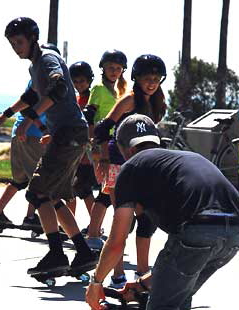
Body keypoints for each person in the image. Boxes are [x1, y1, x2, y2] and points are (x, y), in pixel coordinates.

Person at [85, 114, 239, 310]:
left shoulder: (132, 168)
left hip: (198, 226)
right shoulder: (180, 159)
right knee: (174, 301)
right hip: (235, 230)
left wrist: (96, 283)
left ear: (124, 148)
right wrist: (146, 282)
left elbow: (117, 239)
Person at [0, 17, 97, 276]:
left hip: (69, 133)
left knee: (36, 193)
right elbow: (31, 96)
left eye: (19, 42)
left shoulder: (47, 59)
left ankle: (57, 255)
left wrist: (29, 120)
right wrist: (5, 115)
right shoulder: (35, 66)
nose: (16, 48)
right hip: (70, 133)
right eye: (12, 44)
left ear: (32, 39)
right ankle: (82, 252)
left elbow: (58, 88)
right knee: (52, 197)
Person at [92, 54, 168, 288]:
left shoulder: (158, 103)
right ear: (136, 78)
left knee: (146, 220)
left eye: (156, 78)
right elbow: (104, 128)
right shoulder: (129, 100)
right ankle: (117, 273)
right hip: (118, 164)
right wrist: (103, 157)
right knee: (123, 222)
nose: (152, 82)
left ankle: (143, 273)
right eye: (147, 78)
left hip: (144, 165)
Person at [0, 80, 46, 232]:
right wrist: (42, 127)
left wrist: (3, 117)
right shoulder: (45, 80)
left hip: (19, 133)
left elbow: (25, 103)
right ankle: (31, 218)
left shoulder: (35, 79)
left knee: (19, 180)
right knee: (38, 179)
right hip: (34, 135)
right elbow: (28, 107)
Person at [83, 50, 128, 248]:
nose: (114, 71)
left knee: (107, 191)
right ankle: (94, 234)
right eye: (111, 67)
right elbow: (90, 117)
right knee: (108, 192)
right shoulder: (99, 89)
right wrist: (94, 147)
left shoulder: (121, 90)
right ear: (102, 68)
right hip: (103, 145)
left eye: (118, 68)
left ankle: (94, 233)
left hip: (117, 145)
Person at [68, 60, 96, 218]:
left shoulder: (92, 100)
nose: (79, 84)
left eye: (82, 81)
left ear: (89, 81)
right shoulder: (76, 99)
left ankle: (95, 225)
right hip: (75, 153)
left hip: (85, 154)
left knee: (83, 190)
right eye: (75, 81)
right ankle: (67, 224)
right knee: (72, 189)